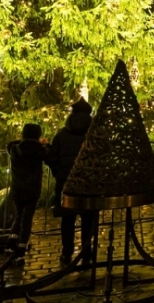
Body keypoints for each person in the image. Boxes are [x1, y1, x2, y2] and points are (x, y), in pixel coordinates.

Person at [48, 98, 98, 265]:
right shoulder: (94, 134)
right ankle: (86, 251)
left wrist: (59, 173)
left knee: (67, 220)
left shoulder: (62, 134)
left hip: (66, 182)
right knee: (88, 219)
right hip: (88, 182)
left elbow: (52, 158)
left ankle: (67, 252)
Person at [6, 123, 49, 263]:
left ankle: (12, 241)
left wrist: (23, 141)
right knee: (27, 218)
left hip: (17, 188)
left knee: (19, 215)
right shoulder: (39, 151)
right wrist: (41, 144)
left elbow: (9, 144)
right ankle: (21, 247)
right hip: (33, 189)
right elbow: (49, 155)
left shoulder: (15, 149)